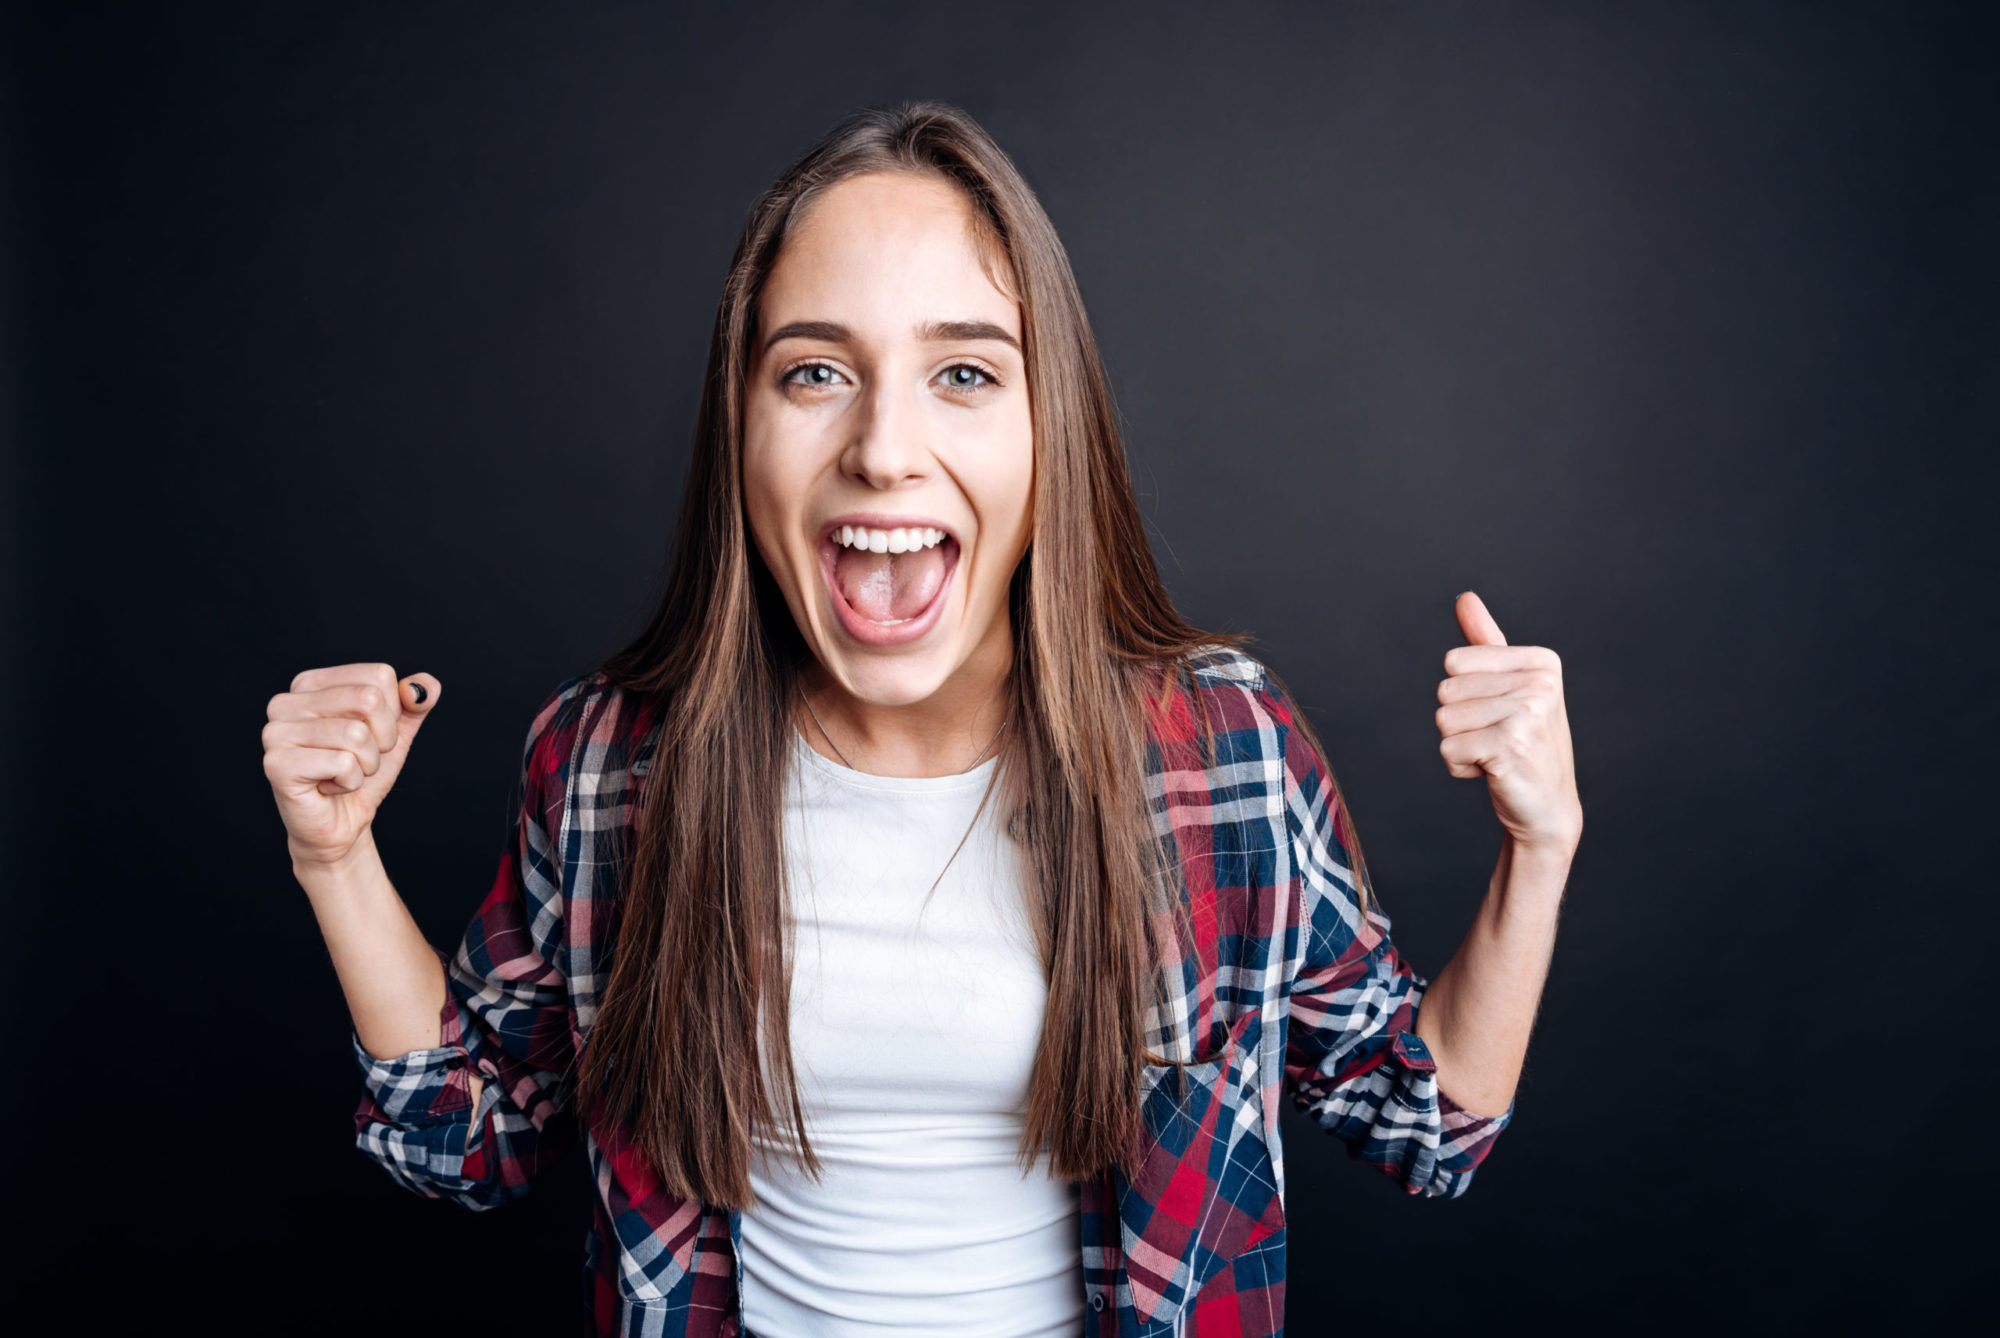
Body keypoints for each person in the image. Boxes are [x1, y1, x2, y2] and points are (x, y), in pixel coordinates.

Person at [263, 100, 1582, 1338]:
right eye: (815, 372)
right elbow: (469, 1139)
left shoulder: (1218, 752)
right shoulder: (610, 764)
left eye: (963, 372)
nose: (884, 447)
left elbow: (1426, 1127)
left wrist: (1539, 846)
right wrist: (335, 861)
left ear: (1046, 430)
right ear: (742, 427)